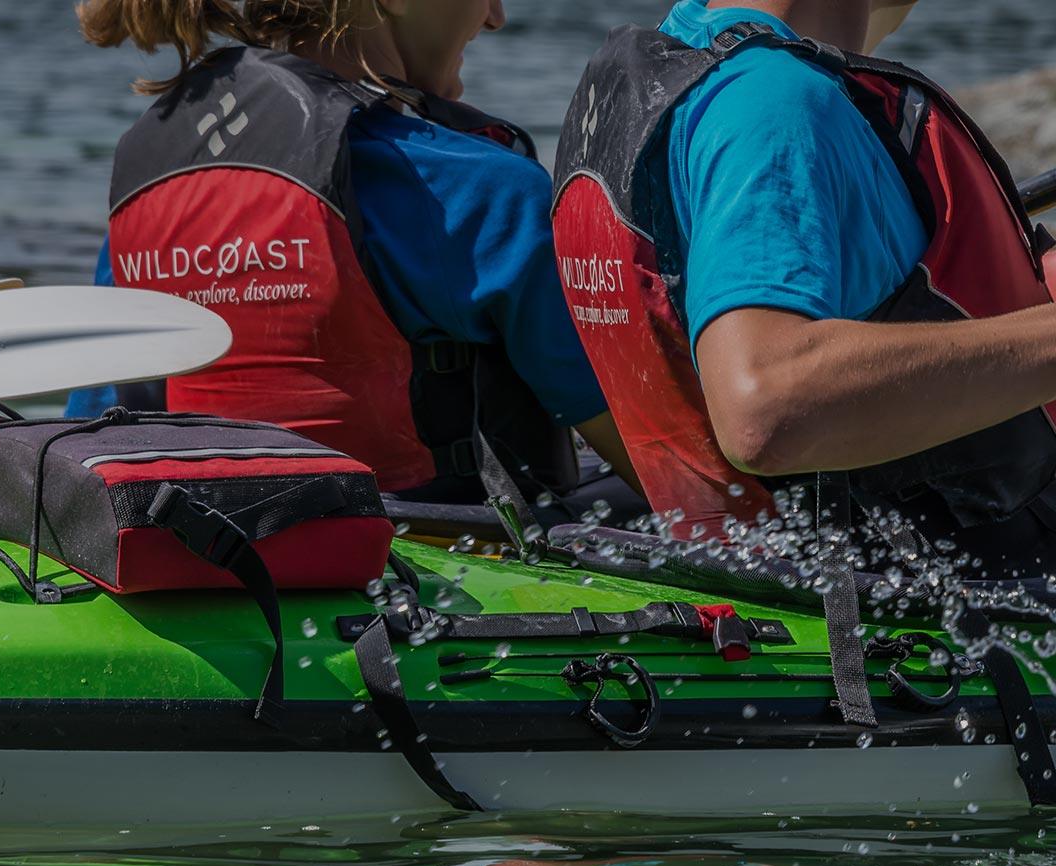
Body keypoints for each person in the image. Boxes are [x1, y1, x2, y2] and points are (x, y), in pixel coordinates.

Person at [550, 0, 1056, 574]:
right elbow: (763, 406)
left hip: (758, 577)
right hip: (936, 599)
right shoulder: (771, 104)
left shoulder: (681, 61)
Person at [70, 0, 638, 508]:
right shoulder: (482, 191)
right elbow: (655, 465)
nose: (495, 16)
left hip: (200, 549)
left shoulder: (150, 191)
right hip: (425, 564)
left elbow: (91, 434)